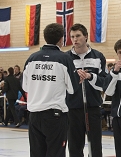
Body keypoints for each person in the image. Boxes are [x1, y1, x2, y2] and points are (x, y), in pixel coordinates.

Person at [22, 23, 79, 157]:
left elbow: (25, 86)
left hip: (34, 115)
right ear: (61, 39)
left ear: (45, 37)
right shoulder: (65, 59)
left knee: (36, 153)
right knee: (56, 153)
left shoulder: (32, 59)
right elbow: (72, 88)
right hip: (55, 116)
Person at [66, 23, 107, 157]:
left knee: (95, 146)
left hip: (93, 107)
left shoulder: (98, 56)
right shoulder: (66, 58)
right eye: (72, 37)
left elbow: (104, 82)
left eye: (78, 36)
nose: (75, 39)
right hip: (73, 108)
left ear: (86, 37)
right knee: (74, 146)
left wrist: (90, 77)